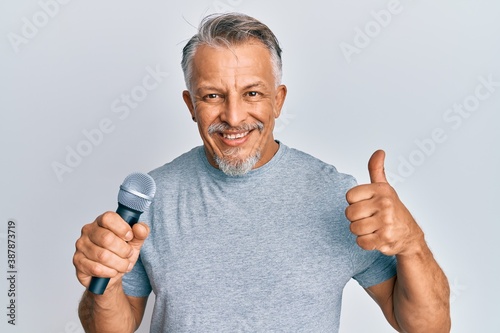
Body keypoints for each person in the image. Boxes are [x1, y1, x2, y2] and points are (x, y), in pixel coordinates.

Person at [73, 12, 451, 332]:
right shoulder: (154, 196)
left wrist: (412, 244)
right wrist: (103, 286)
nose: (234, 117)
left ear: (278, 100)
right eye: (212, 95)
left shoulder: (336, 197)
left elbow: (425, 326)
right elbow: (112, 327)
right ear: (191, 104)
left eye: (252, 93)